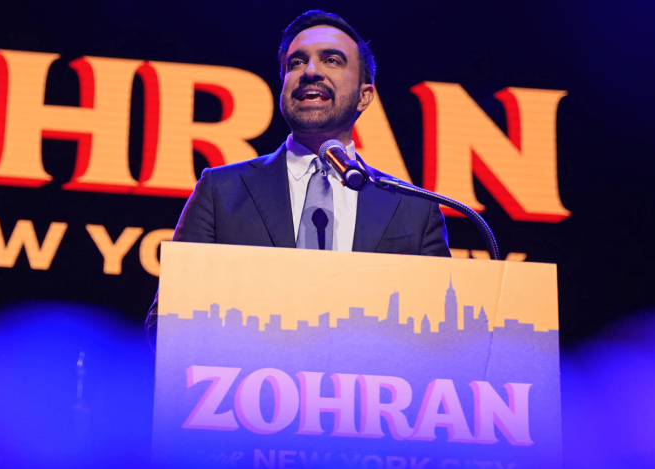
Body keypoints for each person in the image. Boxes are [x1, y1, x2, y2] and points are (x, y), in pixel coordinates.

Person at [147, 10, 450, 342]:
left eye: (332, 60)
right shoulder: (220, 192)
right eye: (296, 63)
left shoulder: (414, 209)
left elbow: (442, 337)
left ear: (365, 95)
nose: (309, 71)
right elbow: (166, 324)